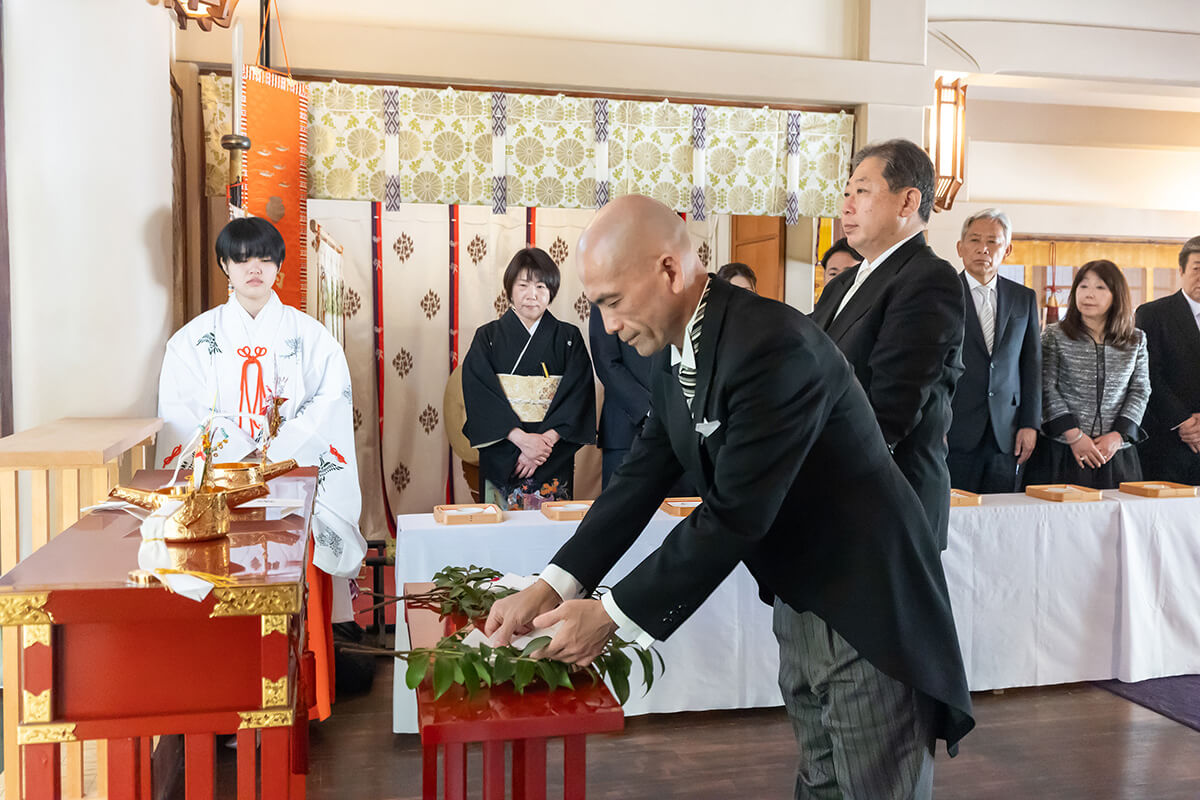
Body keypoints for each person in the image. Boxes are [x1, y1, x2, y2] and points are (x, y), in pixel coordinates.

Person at [485, 195, 973, 800]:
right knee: (821, 780)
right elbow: (639, 479)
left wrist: (610, 615)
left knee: (872, 787)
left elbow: (735, 514)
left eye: (612, 301)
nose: (607, 326)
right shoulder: (675, 349)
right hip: (803, 595)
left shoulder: (771, 344)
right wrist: (553, 585)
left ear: (669, 269)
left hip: (869, 602)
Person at [158, 216, 367, 719]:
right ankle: (228, 702)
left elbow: (330, 403)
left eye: (265, 258)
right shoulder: (192, 341)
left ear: (278, 266)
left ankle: (301, 702)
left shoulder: (312, 337)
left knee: (300, 579)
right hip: (223, 493)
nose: (254, 267)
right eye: (242, 258)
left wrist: (277, 450)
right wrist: (242, 453)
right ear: (224, 266)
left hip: (293, 488)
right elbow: (183, 415)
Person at [809, 139, 965, 550]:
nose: (846, 206)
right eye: (846, 193)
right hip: (832, 491)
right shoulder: (843, 283)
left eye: (861, 191)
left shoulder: (928, 278)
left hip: (886, 501)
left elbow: (890, 410)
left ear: (907, 201)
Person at [462, 247, 595, 509]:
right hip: (503, 449)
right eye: (523, 285)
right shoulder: (487, 337)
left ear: (551, 292)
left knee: (550, 523)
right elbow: (480, 396)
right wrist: (521, 440)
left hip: (551, 453)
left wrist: (543, 445)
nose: (532, 294)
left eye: (541, 287)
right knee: (500, 523)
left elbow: (578, 396)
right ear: (510, 289)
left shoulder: (569, 338)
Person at [1024, 260, 1150, 489]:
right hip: (1062, 449)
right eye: (1083, 286)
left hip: (1115, 451)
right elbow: (1044, 387)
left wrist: (1118, 435)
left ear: (1116, 295)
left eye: (1100, 287)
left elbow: (1140, 389)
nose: (1089, 294)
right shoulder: (1054, 335)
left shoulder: (1135, 340)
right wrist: (1074, 435)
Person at [946, 209, 1042, 493]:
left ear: (1007, 250)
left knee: (1002, 510)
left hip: (1007, 431)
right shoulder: (941, 295)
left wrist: (1030, 424)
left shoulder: (1024, 298)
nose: (983, 249)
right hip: (954, 428)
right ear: (960, 248)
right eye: (974, 240)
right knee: (956, 510)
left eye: (992, 241)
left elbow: (1032, 365)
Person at [1135, 236, 1200, 484]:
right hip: (1167, 440)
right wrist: (1183, 420)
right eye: (1196, 269)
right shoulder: (1153, 314)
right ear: (1181, 270)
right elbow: (1148, 375)